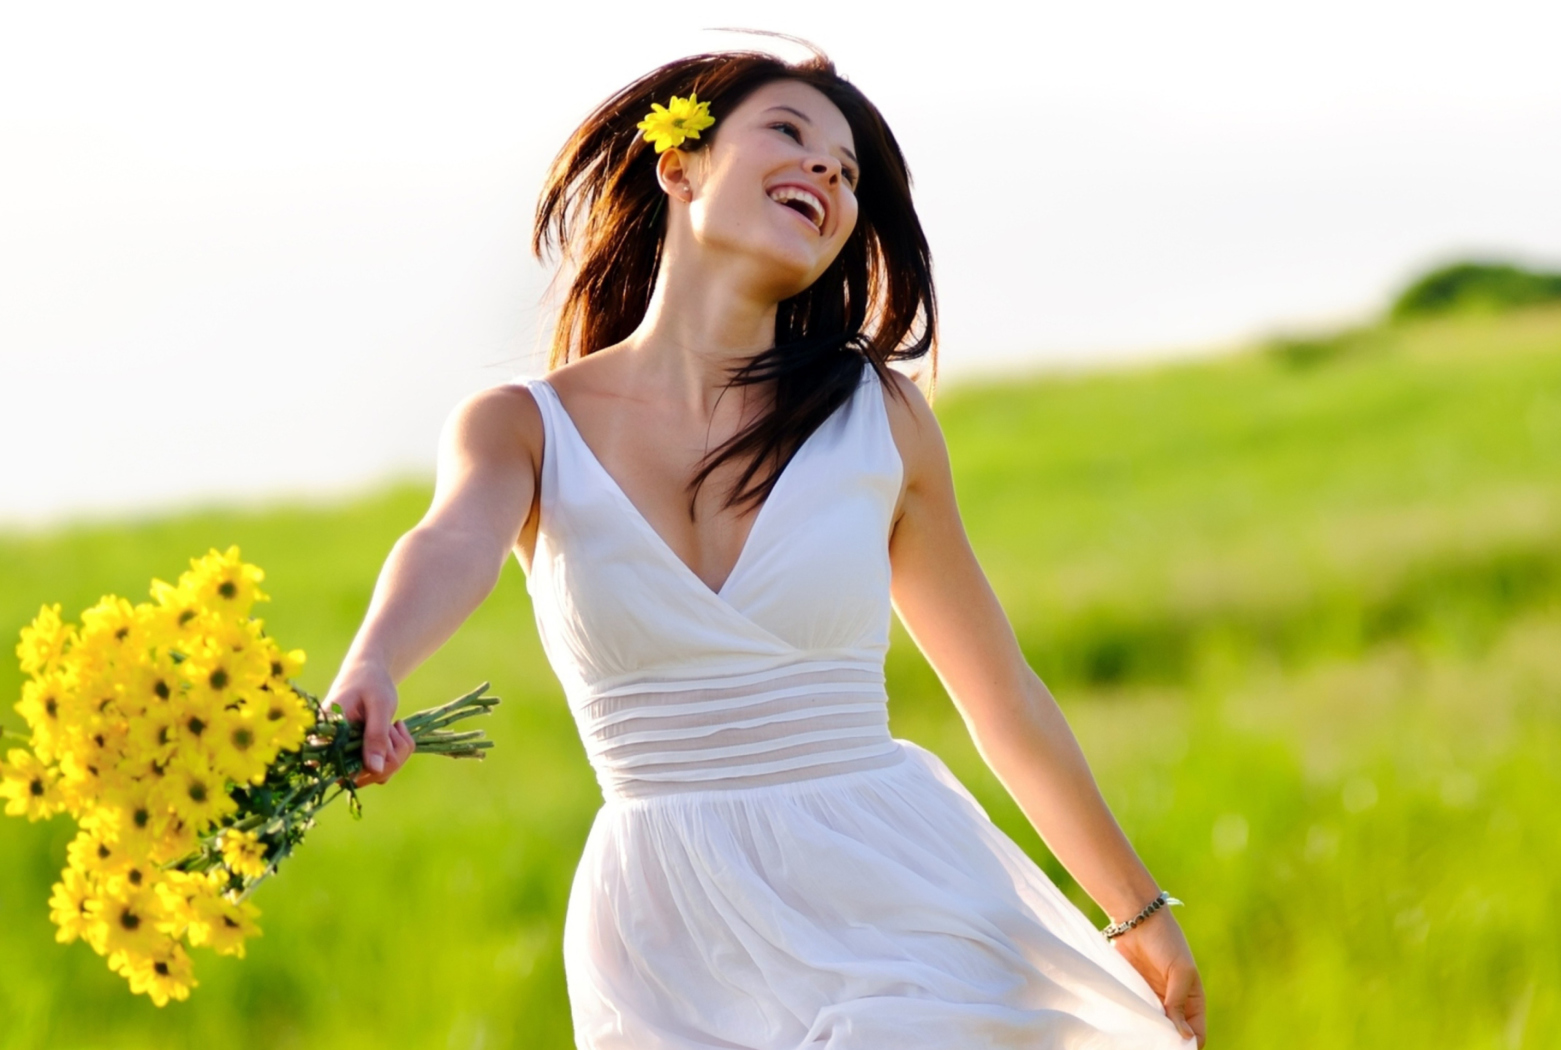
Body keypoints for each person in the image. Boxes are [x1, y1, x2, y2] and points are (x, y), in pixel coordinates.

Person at [323, 47, 1207, 1049]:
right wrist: (375, 660)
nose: (829, 172)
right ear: (680, 164)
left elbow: (1001, 694)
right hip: (666, 937)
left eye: (848, 172)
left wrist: (1139, 913)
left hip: (893, 898)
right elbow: (451, 541)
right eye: (790, 134)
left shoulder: (880, 420)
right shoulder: (522, 427)